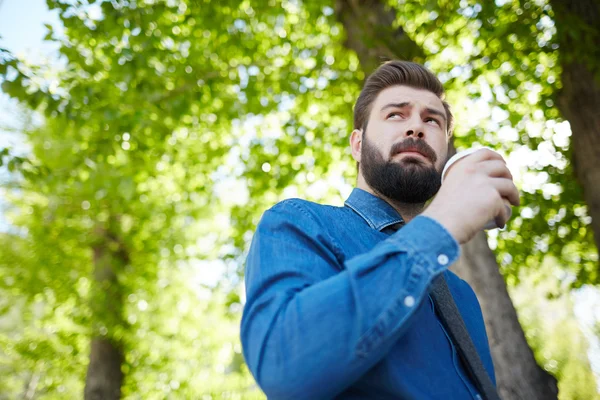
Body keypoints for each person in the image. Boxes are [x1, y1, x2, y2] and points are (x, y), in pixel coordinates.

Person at [240, 60, 520, 399]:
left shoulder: (461, 294)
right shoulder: (299, 222)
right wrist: (442, 223)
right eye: (396, 115)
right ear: (357, 145)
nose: (417, 128)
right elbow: (282, 365)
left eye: (432, 120)